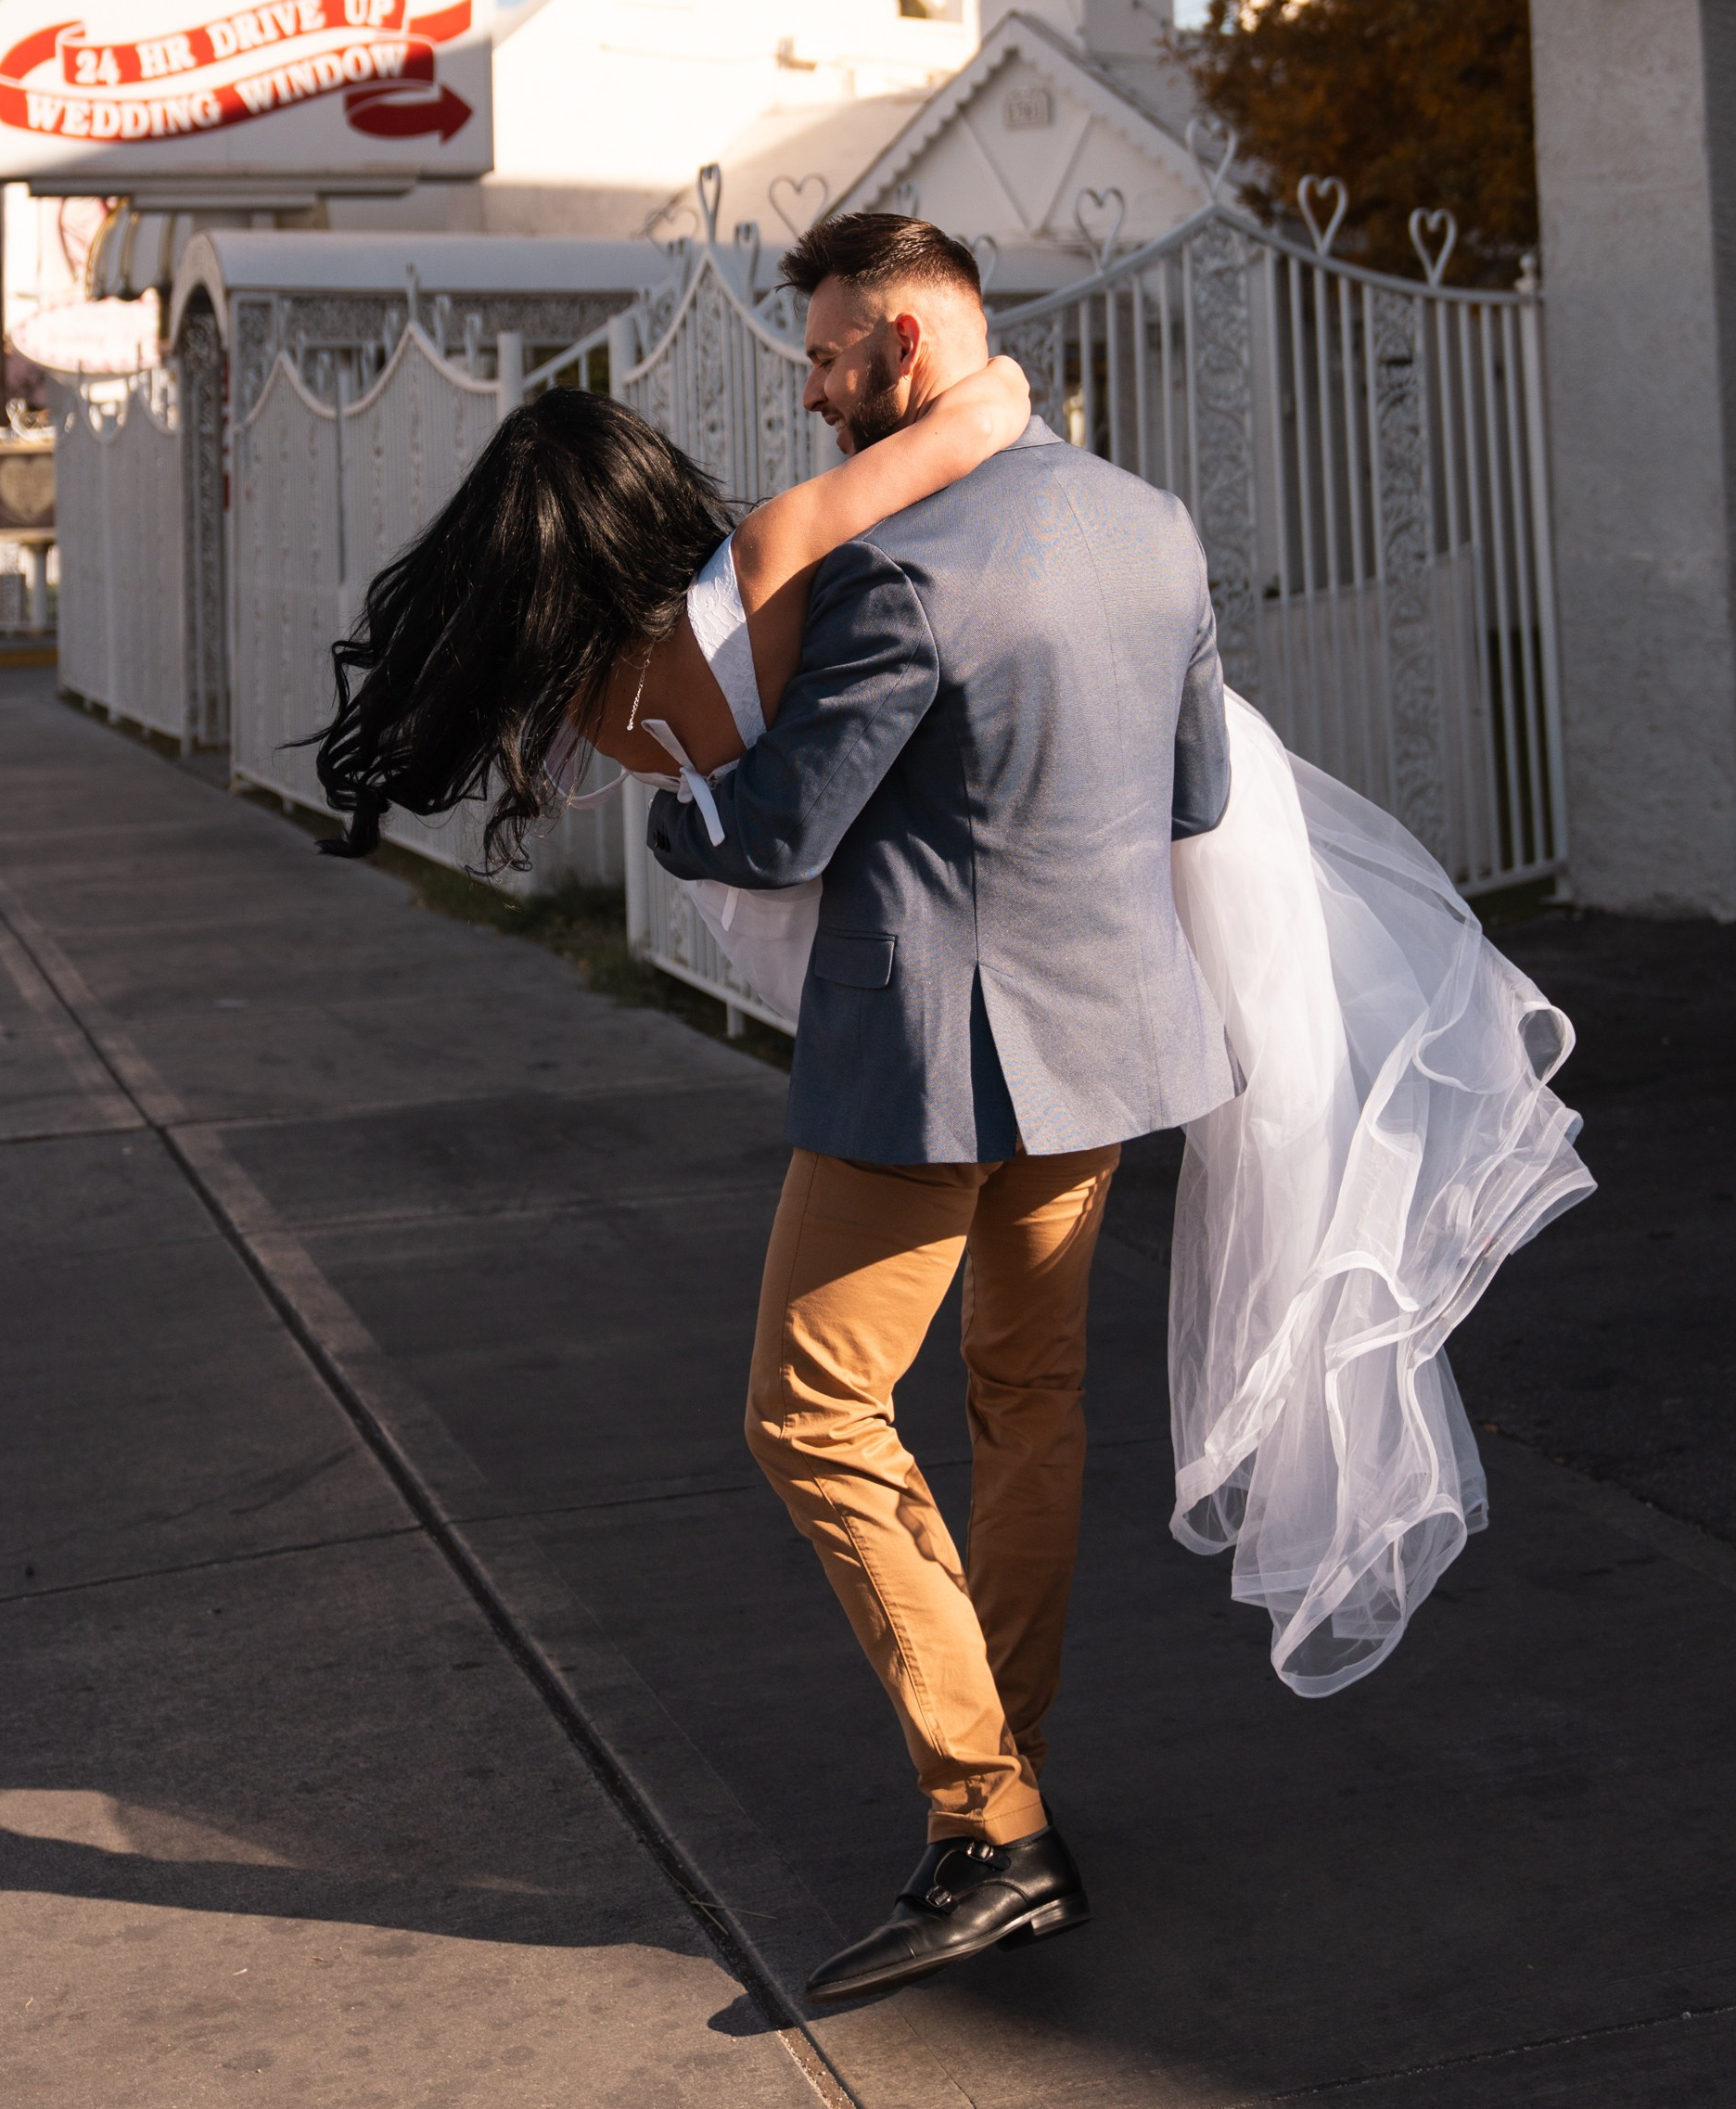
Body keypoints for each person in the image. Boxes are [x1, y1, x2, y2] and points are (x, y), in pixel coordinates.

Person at [313, 211, 1591, 2009]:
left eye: (829, 358)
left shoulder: (893, 571)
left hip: (931, 1055)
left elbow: (781, 829)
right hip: (1108, 1048)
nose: (812, 390)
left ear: (906, 351)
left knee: (810, 1409)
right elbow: (1199, 791)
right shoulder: (1148, 531)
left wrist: (674, 820)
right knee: (1023, 1403)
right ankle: (1008, 1770)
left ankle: (990, 1826)